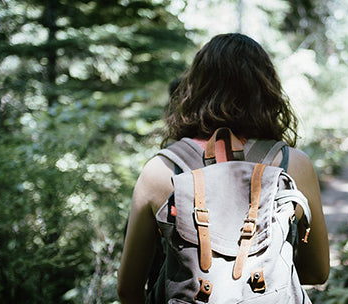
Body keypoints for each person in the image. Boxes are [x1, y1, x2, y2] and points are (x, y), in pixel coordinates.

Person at [117, 33, 330, 303]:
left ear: (194, 88)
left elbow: (128, 288)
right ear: (266, 90)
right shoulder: (294, 165)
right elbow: (316, 272)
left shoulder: (162, 169)